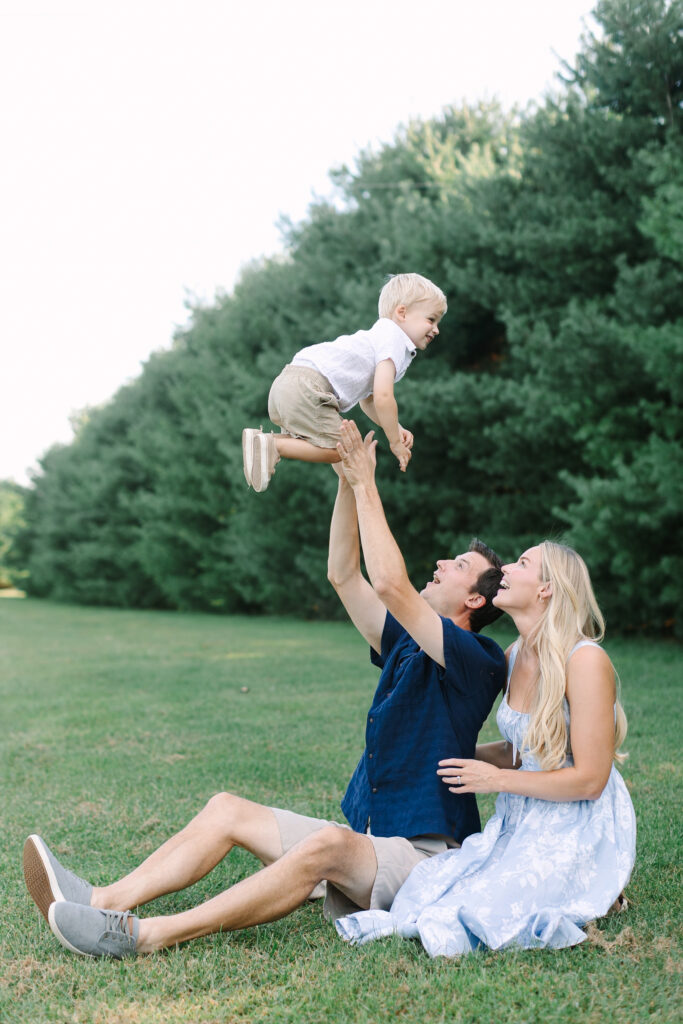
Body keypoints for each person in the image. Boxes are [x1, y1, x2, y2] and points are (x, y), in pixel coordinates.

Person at [22, 422, 506, 959]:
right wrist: (347, 481)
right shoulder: (408, 644)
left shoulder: (477, 661)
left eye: (459, 566)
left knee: (325, 844)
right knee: (226, 808)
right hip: (373, 842)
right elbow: (345, 575)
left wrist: (370, 483)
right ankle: (101, 900)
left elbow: (390, 583)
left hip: (424, 861)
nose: (441, 563)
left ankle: (144, 936)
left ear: (477, 601)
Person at [335, 536, 637, 958]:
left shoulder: (585, 660)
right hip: (520, 816)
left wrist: (495, 779)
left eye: (522, 562)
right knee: (437, 887)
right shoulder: (514, 656)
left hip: (577, 818)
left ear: (546, 587)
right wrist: (462, 755)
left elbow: (590, 780)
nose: (507, 570)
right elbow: (525, 749)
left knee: (480, 910)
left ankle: (596, 878)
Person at [242, 272, 446, 491]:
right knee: (342, 449)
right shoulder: (394, 339)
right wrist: (394, 441)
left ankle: (263, 441)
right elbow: (384, 396)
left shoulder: (377, 339)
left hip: (288, 384)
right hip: (309, 388)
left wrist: (395, 427)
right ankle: (273, 445)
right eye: (431, 319)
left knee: (323, 444)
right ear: (402, 313)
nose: (436, 329)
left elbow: (368, 401)